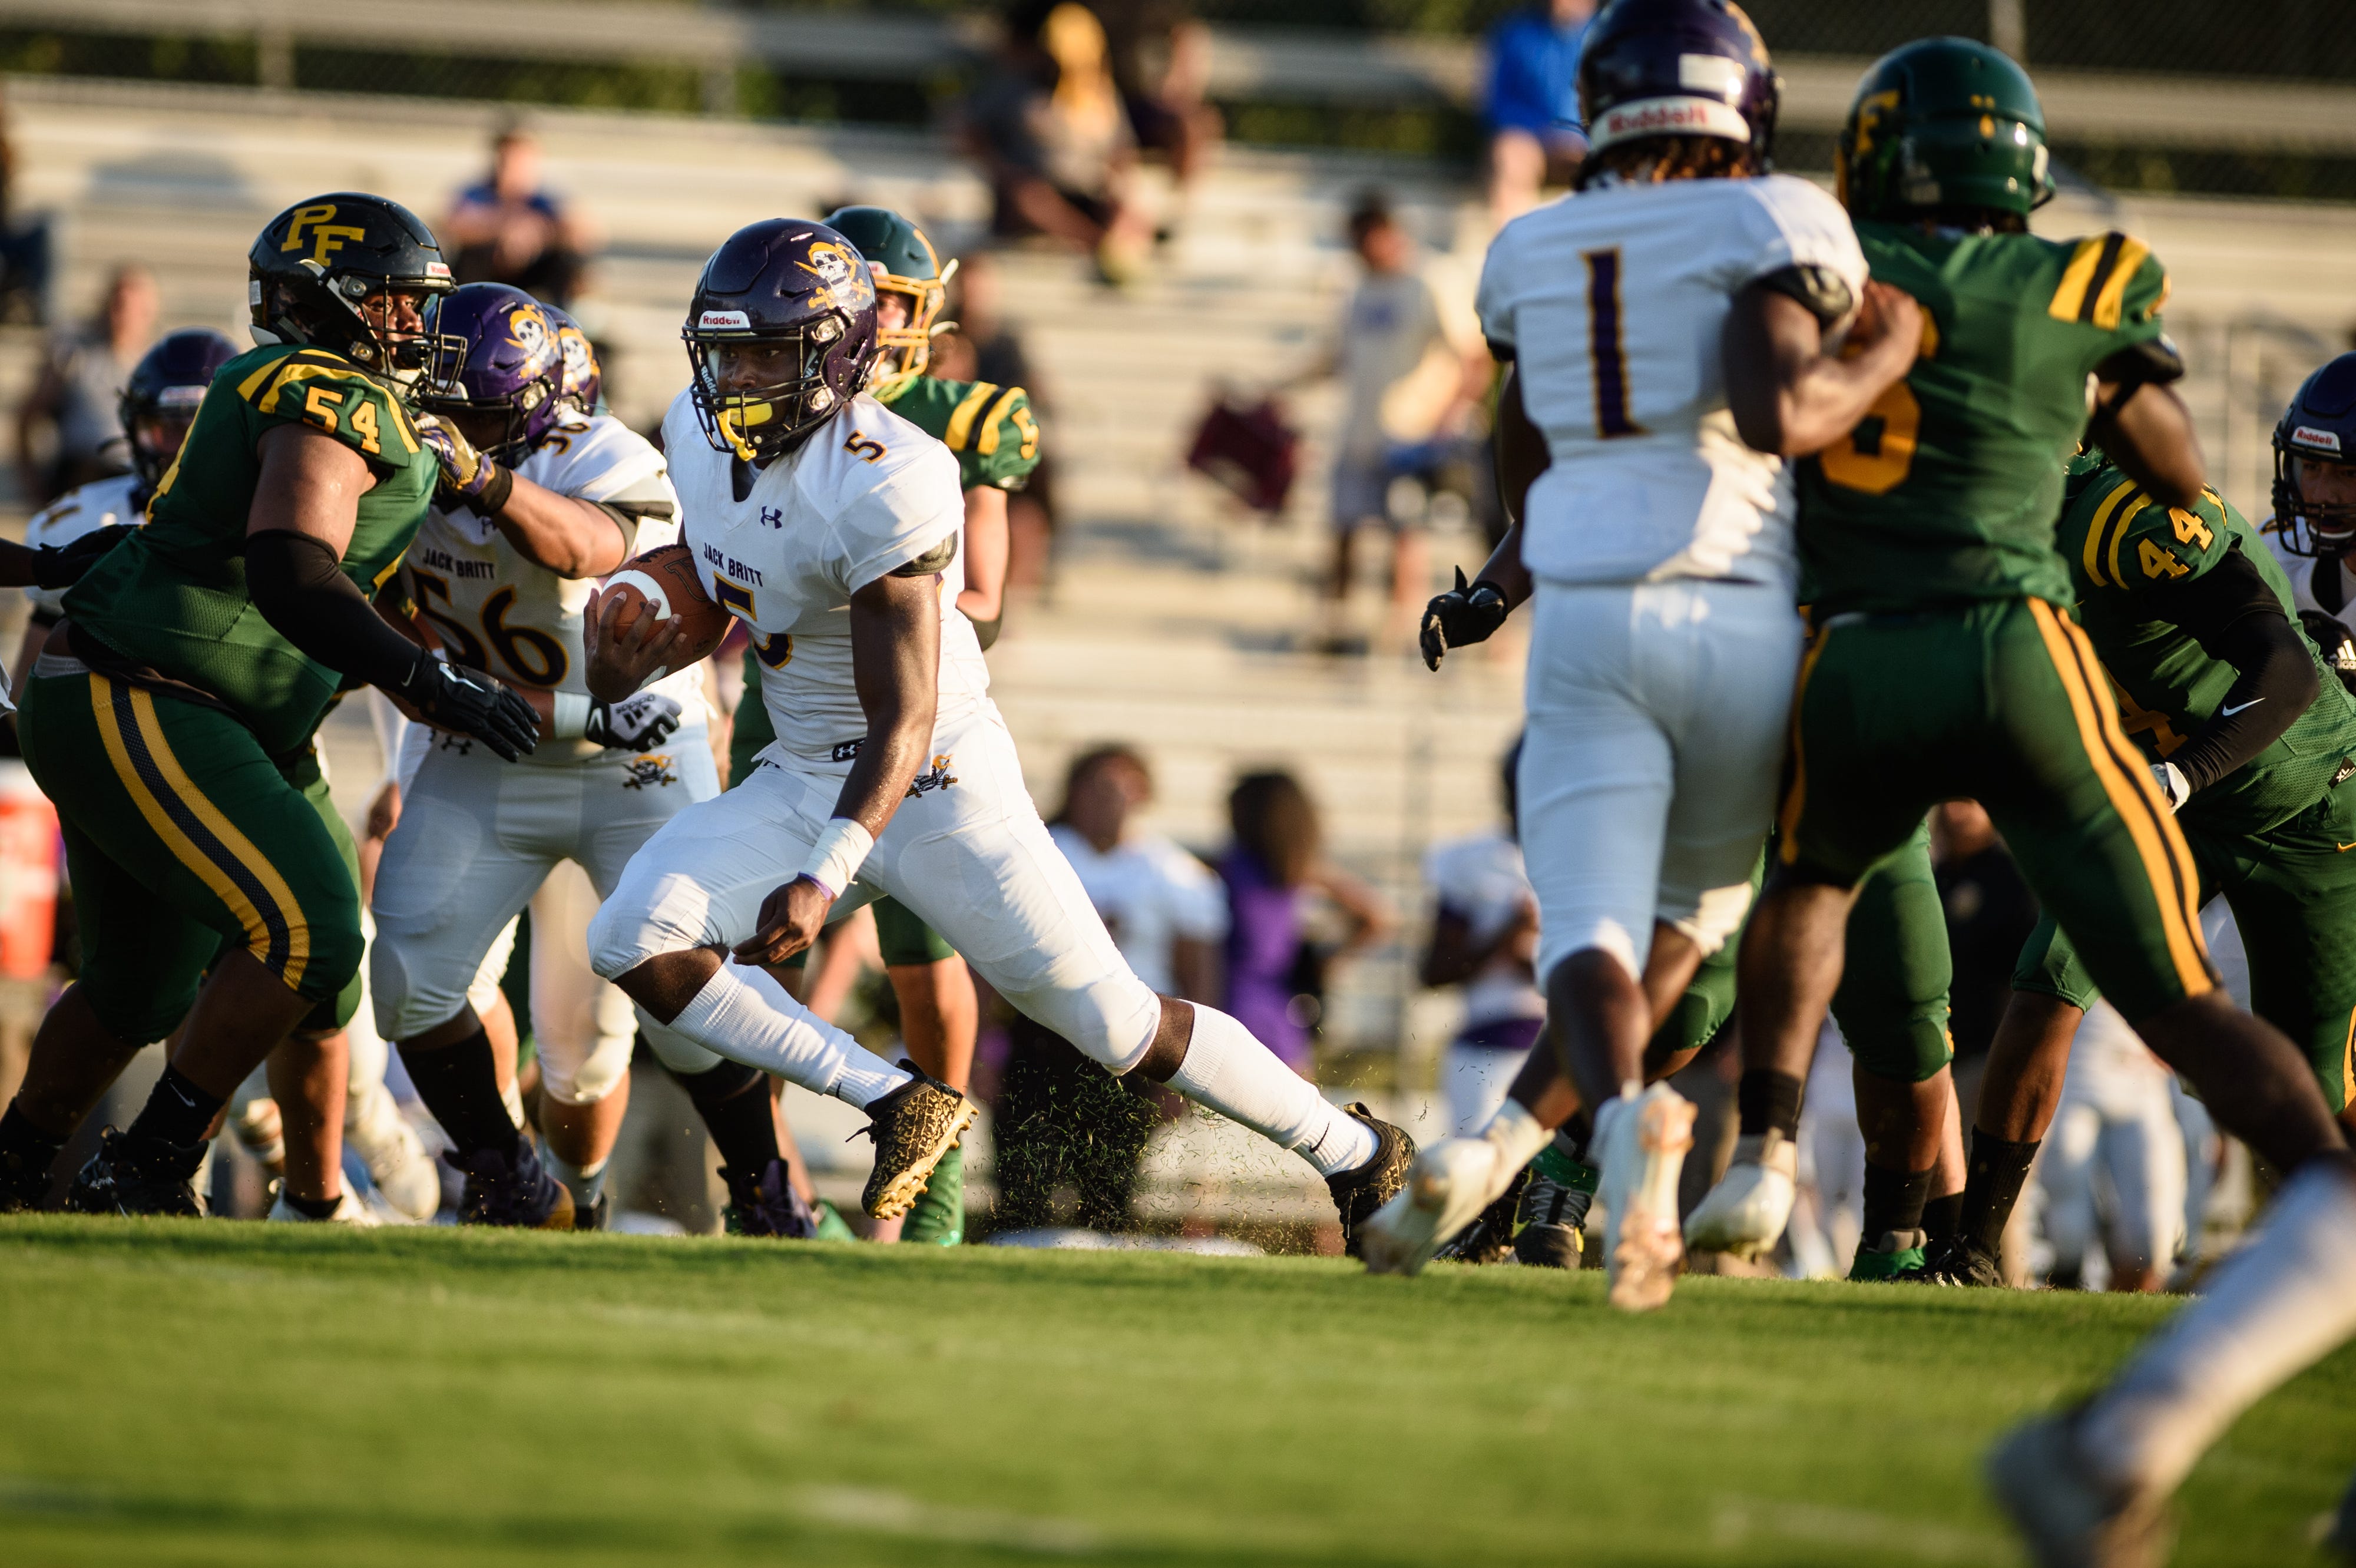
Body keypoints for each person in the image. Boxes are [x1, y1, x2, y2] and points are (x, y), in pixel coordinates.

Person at [1677, 41, 2350, 1348]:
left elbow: (2267, 658)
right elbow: (2173, 447)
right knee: (2104, 991)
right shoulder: (2075, 291)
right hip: (2043, 678)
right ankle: (1973, 1239)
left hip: (2267, 771)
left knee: (1822, 886)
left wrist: (2181, 773)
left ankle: (1764, 1147)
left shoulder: (1848, 285)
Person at [579, 218, 1412, 1249]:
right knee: (629, 934)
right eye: (725, 352)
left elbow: (907, 714)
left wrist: (827, 871)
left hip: (932, 781)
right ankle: (896, 1102)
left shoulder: (891, 471)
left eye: (765, 353)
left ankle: (1359, 1155)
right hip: (798, 769)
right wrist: (640, 651)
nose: (736, 378)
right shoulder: (697, 431)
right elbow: (727, 581)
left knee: (1115, 1024)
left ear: (838, 355)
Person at [1391, 0, 1916, 1311]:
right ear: (1740, 100)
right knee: (1695, 917)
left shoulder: (1526, 246)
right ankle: (1626, 1133)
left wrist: (1500, 581)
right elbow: (1787, 413)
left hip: (1581, 609)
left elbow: (1522, 450)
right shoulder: (1780, 216)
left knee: (1587, 927)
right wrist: (1891, 349)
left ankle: (1598, 1121)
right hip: (1739, 599)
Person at [0, 193, 541, 1218]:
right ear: (329, 304)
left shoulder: (341, 399)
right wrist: (426, 680)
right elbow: (294, 568)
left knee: (141, 989)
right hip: (149, 694)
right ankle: (152, 1164)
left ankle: (17, 1170)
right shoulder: (321, 387)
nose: (413, 326)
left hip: (200, 706)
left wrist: (426, 663)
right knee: (314, 929)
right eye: (393, 304)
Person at [1915, 439, 2356, 1288]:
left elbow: (2289, 669)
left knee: (2320, 1084)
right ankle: (1971, 1253)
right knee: (2049, 978)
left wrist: (2184, 774)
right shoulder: (1989, 528)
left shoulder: (2122, 514)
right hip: (2161, 796)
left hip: (2296, 793)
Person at [368, 282, 716, 1231]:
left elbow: (592, 547)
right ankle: (504, 1174)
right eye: (428, 399)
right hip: (482, 739)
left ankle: (588, 1198)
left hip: (624, 756)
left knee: (588, 1043)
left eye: (464, 408)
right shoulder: (392, 458)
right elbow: (384, 639)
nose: (437, 420)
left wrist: (482, 482)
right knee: (419, 978)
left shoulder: (603, 456)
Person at [724, 204, 1039, 1247]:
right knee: (755, 956)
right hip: (786, 712)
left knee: (924, 960)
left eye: (898, 297)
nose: (880, 315)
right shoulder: (759, 401)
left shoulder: (963, 418)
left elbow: (982, 594)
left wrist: (869, 580)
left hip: (907, 705)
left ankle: (931, 1201)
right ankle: (767, 1184)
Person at [997, 743, 1227, 1232]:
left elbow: (1197, 978)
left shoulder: (1171, 871)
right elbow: (985, 954)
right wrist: (982, 1046)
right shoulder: (1039, 854)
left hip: (1131, 1047)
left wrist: (1188, 1074)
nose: (1107, 801)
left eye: (1119, 788)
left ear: (1142, 795)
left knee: (1110, 1195)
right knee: (1023, 1189)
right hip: (1041, 1038)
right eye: (1095, 787)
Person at [1293, 191, 1488, 654]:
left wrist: (1445, 420)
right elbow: (1335, 358)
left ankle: (1399, 630)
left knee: (1405, 533)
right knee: (1343, 529)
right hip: (1359, 431)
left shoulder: (1431, 280)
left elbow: (1473, 359)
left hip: (1412, 434)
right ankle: (1334, 626)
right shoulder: (1356, 288)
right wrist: (1279, 386)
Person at [962, 2, 1154, 287]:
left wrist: (1117, 183)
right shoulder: (1016, 90)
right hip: (1035, 194)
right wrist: (1001, 169)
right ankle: (1102, 248)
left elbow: (1122, 151)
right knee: (1030, 198)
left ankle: (1108, 250)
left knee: (1127, 207)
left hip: (1085, 193)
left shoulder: (1100, 95)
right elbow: (968, 128)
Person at [1217, 770, 1388, 1079]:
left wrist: (1324, 963)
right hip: (1281, 1011)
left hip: (1234, 998)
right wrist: (1327, 963)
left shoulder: (1233, 868)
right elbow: (1376, 919)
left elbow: (1376, 919)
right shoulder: (1295, 870)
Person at [1419, 737, 1543, 1135]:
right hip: (1487, 1049)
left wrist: (1534, 956)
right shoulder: (1472, 861)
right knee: (1481, 1180)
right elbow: (1434, 971)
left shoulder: (1594, 860)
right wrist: (1503, 940)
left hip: (1569, 1050)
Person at [2037, 999, 2185, 1292]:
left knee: (2154, 1235)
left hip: (2141, 1078)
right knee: (2068, 1230)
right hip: (2075, 1075)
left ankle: (2130, 1308)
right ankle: (2071, 1302)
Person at [15, 264, 156, 507]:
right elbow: (28, 416)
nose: (123, 315)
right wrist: (33, 484)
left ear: (149, 312)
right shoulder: (74, 353)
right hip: (81, 477)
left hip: (137, 484)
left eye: (133, 308)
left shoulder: (157, 363)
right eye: (119, 305)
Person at [441, 127, 596, 308]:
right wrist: (503, 230)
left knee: (567, 263)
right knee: (468, 258)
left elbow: (586, 233)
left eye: (520, 161)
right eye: (506, 161)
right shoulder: (477, 194)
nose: (511, 169)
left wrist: (537, 233)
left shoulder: (545, 199)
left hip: (533, 271)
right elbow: (451, 225)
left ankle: (565, 315)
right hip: (488, 271)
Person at [1481, 0, 1596, 226]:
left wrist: (1583, 136)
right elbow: (1497, 104)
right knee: (1510, 154)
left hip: (1589, 146)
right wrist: (1545, 133)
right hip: (1534, 145)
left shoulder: (1608, 35)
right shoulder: (1516, 33)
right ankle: (1515, 250)